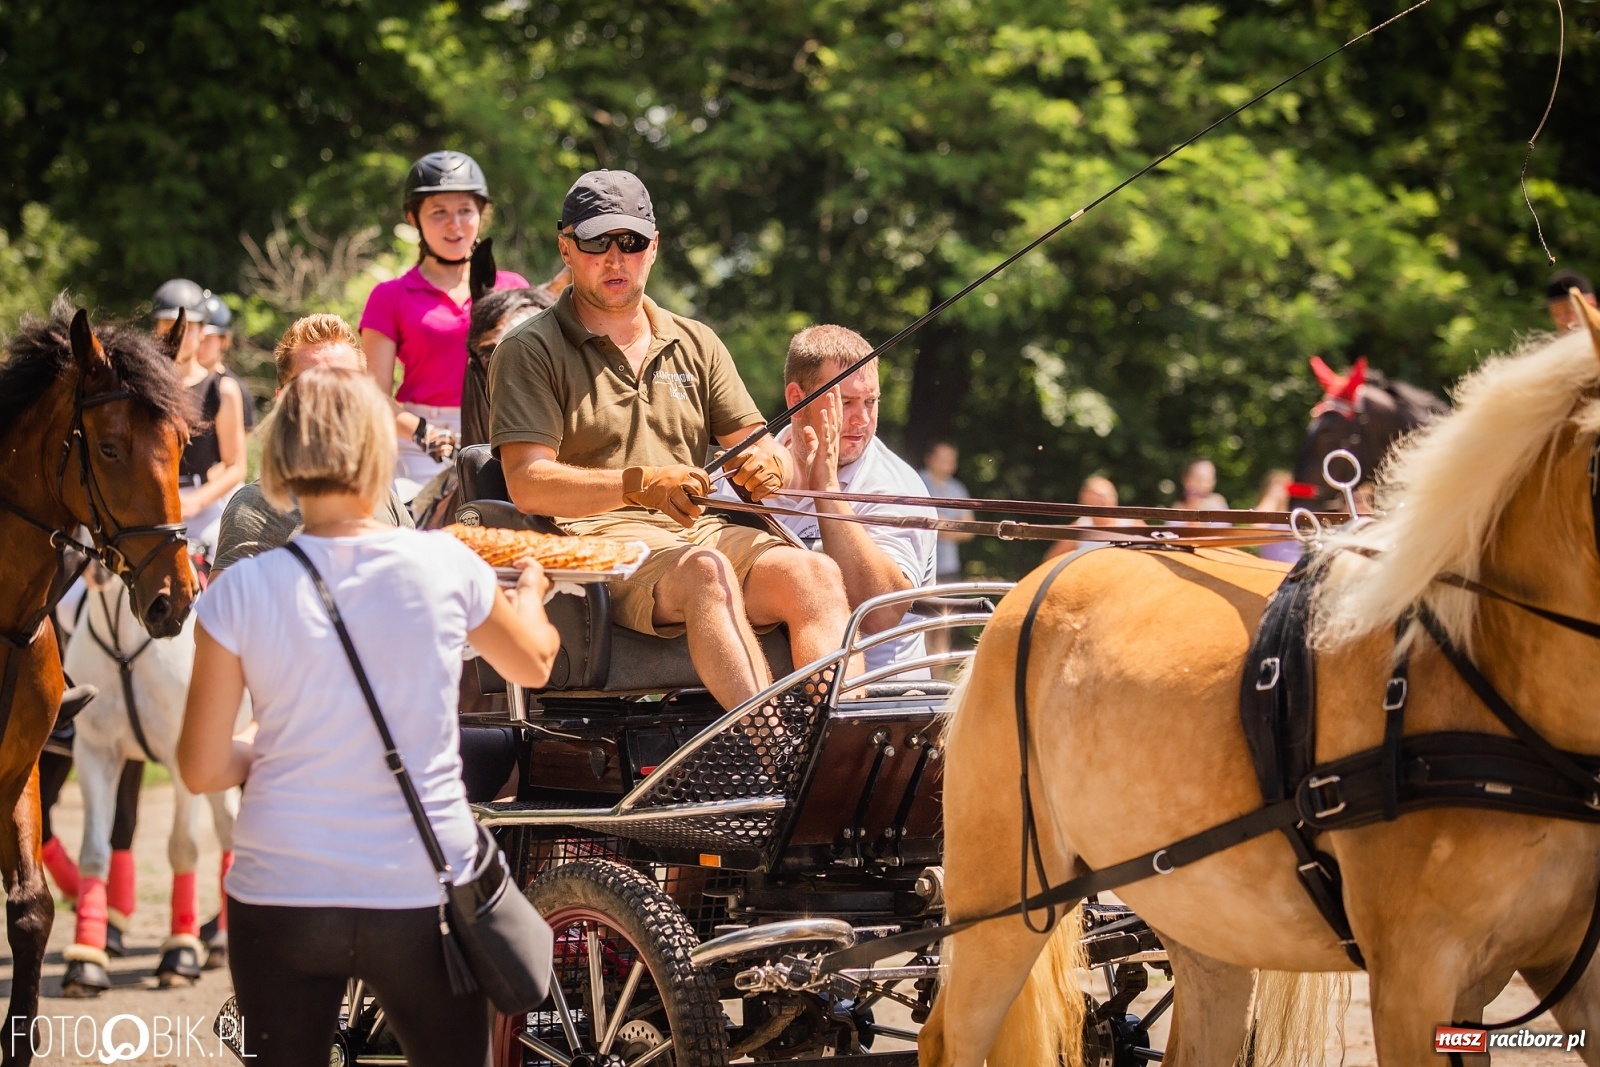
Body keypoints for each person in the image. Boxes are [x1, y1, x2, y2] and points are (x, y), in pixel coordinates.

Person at [180, 367, 560, 1067]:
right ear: (377, 451)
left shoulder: (239, 592)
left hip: (279, 891)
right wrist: (533, 591)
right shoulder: (448, 563)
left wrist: (272, 747)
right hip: (422, 888)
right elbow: (533, 663)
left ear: (284, 456)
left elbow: (202, 766)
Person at [491, 169, 852, 712]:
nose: (616, 259)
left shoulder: (696, 341)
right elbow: (526, 484)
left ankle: (838, 762)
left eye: (631, 242)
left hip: (695, 533)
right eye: (596, 242)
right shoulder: (528, 348)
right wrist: (638, 485)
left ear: (653, 248)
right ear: (566, 248)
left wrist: (768, 464)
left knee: (816, 574)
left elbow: (759, 443)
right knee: (707, 574)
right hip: (594, 546)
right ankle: (776, 756)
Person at [758, 325, 936, 674]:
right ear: (797, 399)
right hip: (770, 699)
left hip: (880, 703)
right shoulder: (747, 473)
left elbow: (880, 614)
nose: (863, 419)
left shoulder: (897, 487)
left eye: (871, 402)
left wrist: (826, 490)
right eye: (846, 402)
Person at [360, 151, 530, 495]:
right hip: (419, 443)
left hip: (502, 431)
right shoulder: (389, 296)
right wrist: (425, 433)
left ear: (481, 214)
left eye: (465, 211)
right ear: (414, 217)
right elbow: (373, 395)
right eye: (439, 212)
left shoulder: (513, 289)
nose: (455, 224)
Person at [211, 315, 415, 580]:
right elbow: (221, 621)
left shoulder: (384, 497)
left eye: (346, 382)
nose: (329, 397)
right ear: (282, 399)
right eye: (311, 384)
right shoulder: (254, 509)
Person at [152, 279, 247, 554]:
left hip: (203, 505)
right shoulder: (140, 388)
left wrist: (195, 502)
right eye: (168, 326)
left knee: (229, 559)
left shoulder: (222, 390)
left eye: (187, 327)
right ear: (156, 329)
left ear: (202, 331)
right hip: (150, 502)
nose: (177, 335)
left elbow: (235, 467)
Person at [1042, 475, 1145, 561]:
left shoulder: (1131, 523)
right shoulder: (1080, 527)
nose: (1103, 502)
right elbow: (1051, 560)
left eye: (1104, 497)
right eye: (1096, 499)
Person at [198, 291, 256, 430]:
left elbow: (240, 449)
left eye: (208, 338)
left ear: (224, 341)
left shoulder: (236, 390)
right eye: (198, 336)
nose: (200, 344)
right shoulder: (177, 383)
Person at [918, 442, 973, 583]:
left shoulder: (958, 489)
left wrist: (940, 525)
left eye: (951, 459)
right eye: (943, 459)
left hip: (949, 567)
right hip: (919, 566)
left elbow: (970, 530)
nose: (948, 464)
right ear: (929, 459)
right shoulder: (916, 482)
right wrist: (953, 526)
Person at [1251, 469, 1303, 565]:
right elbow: (1257, 529)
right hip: (1272, 568)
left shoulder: (1295, 514)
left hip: (1295, 569)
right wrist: (1272, 498)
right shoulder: (1263, 510)